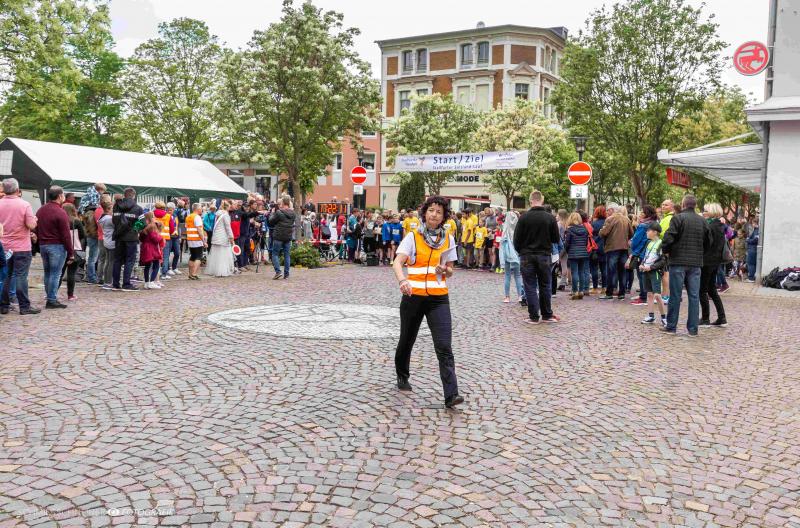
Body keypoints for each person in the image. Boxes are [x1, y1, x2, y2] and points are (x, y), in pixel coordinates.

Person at [392, 196, 463, 409]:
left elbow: (450, 271)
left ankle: (451, 394)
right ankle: (402, 374)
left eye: (439, 212)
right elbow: (397, 262)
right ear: (424, 213)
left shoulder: (448, 239)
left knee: (444, 345)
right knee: (407, 339)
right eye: (431, 210)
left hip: (438, 299)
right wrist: (402, 280)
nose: (434, 214)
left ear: (444, 217)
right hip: (413, 296)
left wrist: (445, 270)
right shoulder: (413, 237)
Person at [661, 195, 710, 336]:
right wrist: (700, 253)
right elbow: (709, 242)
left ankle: (671, 326)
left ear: (683, 204)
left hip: (678, 261)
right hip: (695, 263)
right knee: (694, 296)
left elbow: (668, 238)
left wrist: (666, 251)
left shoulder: (678, 218)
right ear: (695, 205)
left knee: (675, 295)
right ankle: (693, 329)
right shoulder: (702, 221)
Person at [513, 190, 561, 324]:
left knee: (530, 286)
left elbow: (516, 240)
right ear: (542, 200)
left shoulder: (523, 218)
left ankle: (533, 316)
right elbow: (556, 239)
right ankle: (547, 314)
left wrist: (522, 251)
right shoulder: (550, 218)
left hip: (526, 255)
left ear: (530, 201)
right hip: (544, 255)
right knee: (545, 285)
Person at [0, 178, 39, 315]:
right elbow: (31, 225)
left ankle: (3, 305)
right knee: (21, 276)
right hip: (21, 246)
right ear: (17, 190)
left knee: (6, 276)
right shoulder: (24, 204)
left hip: (4, 246)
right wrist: (34, 219)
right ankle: (24, 306)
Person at [36, 186, 74, 308]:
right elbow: (66, 235)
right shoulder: (60, 212)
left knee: (48, 273)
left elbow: (36, 228)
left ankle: (50, 297)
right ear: (59, 196)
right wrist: (71, 252)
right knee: (55, 274)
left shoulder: (41, 210)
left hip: (43, 245)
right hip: (57, 246)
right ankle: (51, 299)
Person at [699, 203, 727, 327]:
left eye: (706, 210)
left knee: (702, 290)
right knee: (712, 290)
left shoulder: (711, 226)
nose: (703, 212)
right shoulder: (719, 225)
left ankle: (705, 318)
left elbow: (706, 244)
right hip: (715, 261)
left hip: (707, 261)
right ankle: (722, 317)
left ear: (712, 212)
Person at [112, 187, 144, 292]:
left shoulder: (116, 206)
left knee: (117, 260)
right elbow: (142, 223)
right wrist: (134, 229)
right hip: (131, 238)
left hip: (118, 236)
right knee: (129, 260)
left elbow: (114, 221)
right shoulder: (138, 208)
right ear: (133, 195)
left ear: (124, 195)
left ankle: (115, 283)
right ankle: (126, 283)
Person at [598, 204, 633, 300]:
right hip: (624, 248)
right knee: (622, 271)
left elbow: (603, 233)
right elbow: (631, 233)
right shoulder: (626, 219)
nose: (607, 212)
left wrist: (601, 231)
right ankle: (622, 293)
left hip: (612, 248)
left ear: (612, 210)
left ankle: (609, 293)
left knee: (611, 271)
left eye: (608, 210)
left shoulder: (610, 219)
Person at [638, 222, 667, 325]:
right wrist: (642, 264)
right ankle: (651, 316)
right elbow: (646, 256)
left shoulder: (661, 244)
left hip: (655, 272)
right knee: (649, 294)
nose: (646, 232)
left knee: (657, 295)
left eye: (648, 230)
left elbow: (663, 261)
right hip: (646, 270)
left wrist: (651, 267)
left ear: (655, 232)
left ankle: (664, 318)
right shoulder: (648, 243)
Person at [630, 206, 658, 306]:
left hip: (641, 252)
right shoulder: (655, 223)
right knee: (648, 276)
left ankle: (643, 297)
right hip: (651, 251)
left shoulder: (643, 225)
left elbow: (636, 240)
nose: (640, 213)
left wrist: (632, 246)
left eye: (642, 211)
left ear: (646, 213)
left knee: (641, 275)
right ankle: (646, 295)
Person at [59, 203, 85, 301]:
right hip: (74, 248)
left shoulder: (61, 220)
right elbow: (82, 235)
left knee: (59, 273)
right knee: (71, 273)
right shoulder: (76, 221)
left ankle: (53, 293)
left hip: (62, 248)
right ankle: (70, 295)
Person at [563, 212, 590, 300]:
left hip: (573, 253)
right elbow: (586, 242)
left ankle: (575, 291)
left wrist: (567, 251)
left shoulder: (570, 230)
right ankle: (581, 291)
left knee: (574, 272)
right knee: (581, 272)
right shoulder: (585, 229)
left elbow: (567, 243)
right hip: (583, 253)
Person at [499, 211, 524, 304]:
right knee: (517, 275)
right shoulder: (519, 229)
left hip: (506, 255)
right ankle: (520, 296)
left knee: (507, 275)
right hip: (516, 254)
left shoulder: (505, 231)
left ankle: (507, 297)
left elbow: (501, 244)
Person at [268, 196, 296, 280]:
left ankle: (278, 272)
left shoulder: (279, 212)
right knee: (287, 255)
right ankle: (286, 274)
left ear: (283, 203)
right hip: (288, 236)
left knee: (275, 254)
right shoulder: (293, 213)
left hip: (278, 236)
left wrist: (272, 213)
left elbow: (271, 221)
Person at [206, 201, 235, 277]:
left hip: (216, 236)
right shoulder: (225, 215)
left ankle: (214, 270)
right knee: (223, 255)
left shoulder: (218, 214)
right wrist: (231, 237)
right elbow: (228, 227)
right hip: (222, 237)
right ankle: (221, 272)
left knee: (216, 255)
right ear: (227, 207)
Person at [139, 212, 165, 289]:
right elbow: (155, 239)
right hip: (152, 248)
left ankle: (147, 282)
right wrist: (161, 237)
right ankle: (152, 281)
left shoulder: (144, 227)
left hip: (145, 247)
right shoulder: (152, 227)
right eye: (153, 217)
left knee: (147, 266)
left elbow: (141, 238)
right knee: (156, 265)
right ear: (151, 218)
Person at [96, 200, 115, 289]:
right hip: (111, 241)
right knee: (111, 262)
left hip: (106, 240)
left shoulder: (102, 218)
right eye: (112, 209)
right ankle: (109, 281)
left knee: (107, 261)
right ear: (108, 209)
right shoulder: (109, 219)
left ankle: (106, 280)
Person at [186, 203, 207, 280]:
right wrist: (204, 241)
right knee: (199, 257)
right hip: (197, 239)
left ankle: (190, 274)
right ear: (197, 209)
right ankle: (194, 274)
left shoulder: (188, 216)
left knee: (192, 256)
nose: (201, 210)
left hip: (190, 239)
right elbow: (199, 230)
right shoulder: (197, 217)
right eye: (201, 208)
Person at [659, 199, 675, 302]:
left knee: (665, 273)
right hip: (664, 248)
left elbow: (664, 234)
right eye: (663, 204)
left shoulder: (669, 218)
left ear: (671, 207)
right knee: (665, 273)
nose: (663, 206)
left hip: (666, 249)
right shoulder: (666, 217)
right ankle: (665, 295)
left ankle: (666, 295)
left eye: (666, 205)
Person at [589, 206, 607, 294]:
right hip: (605, 247)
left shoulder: (593, 224)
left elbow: (590, 236)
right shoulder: (607, 223)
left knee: (594, 268)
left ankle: (595, 287)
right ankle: (604, 287)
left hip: (595, 248)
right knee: (604, 269)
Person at [161, 202, 181, 277]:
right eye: (168, 210)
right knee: (167, 253)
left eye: (171, 210)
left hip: (175, 236)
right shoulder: (166, 216)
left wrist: (179, 236)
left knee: (177, 252)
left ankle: (174, 267)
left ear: (174, 209)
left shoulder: (175, 216)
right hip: (168, 237)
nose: (170, 211)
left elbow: (178, 226)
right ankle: (168, 268)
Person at [745, 217, 759, 282]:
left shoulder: (757, 230)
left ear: (755, 223)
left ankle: (751, 278)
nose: (752, 224)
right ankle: (752, 276)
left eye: (753, 223)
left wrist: (748, 240)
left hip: (752, 249)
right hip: (753, 249)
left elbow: (755, 240)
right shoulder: (756, 230)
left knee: (751, 263)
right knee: (752, 263)